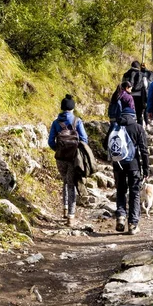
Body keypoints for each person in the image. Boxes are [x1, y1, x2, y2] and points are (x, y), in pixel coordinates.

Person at [48, 94, 88, 227]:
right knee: (71, 184)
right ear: (72, 108)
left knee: (65, 181)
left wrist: (59, 150)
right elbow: (84, 139)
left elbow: (50, 141)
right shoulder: (77, 121)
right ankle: (71, 216)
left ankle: (64, 209)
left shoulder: (56, 122)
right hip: (73, 157)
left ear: (62, 108)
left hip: (60, 158)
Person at [112, 112, 149, 235]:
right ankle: (133, 224)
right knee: (134, 193)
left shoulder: (115, 126)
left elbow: (106, 144)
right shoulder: (138, 128)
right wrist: (146, 169)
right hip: (134, 165)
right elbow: (144, 150)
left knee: (121, 190)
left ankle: (121, 217)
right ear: (133, 115)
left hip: (118, 164)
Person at [122, 61, 147, 126]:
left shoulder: (126, 74)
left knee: (128, 113)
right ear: (138, 66)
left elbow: (123, 85)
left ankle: (129, 129)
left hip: (128, 96)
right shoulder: (142, 74)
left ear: (131, 65)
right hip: (139, 96)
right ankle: (140, 130)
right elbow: (145, 85)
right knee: (139, 115)